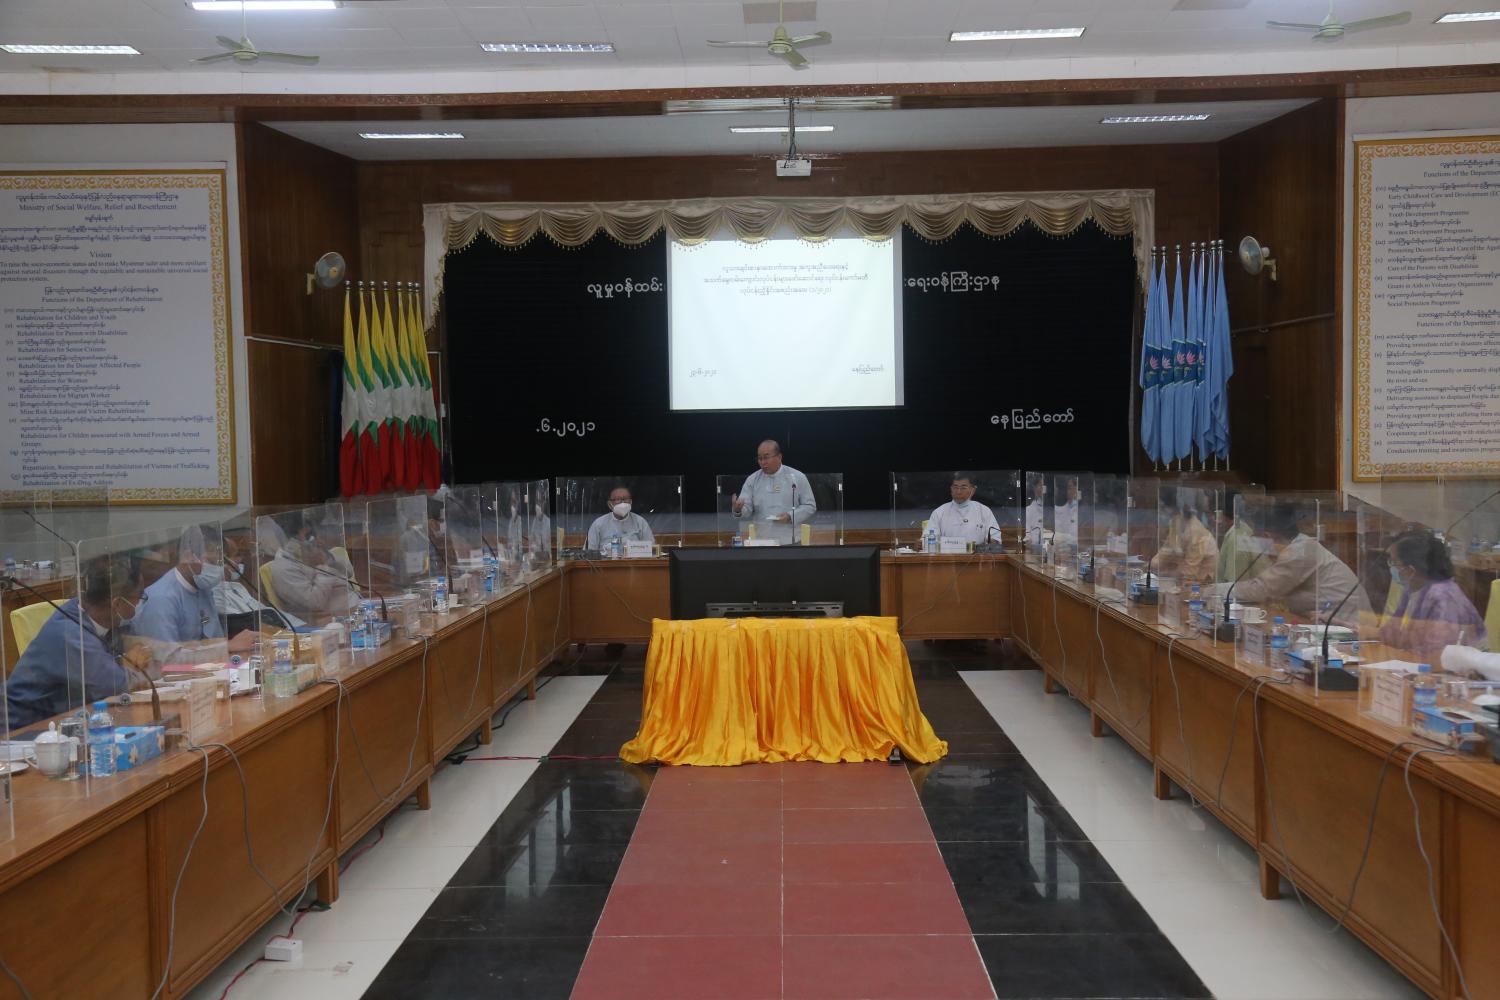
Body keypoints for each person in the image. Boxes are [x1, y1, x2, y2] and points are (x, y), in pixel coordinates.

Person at [6, 552, 155, 729]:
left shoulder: (102, 617)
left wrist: (124, 662)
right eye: (140, 596)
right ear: (116, 604)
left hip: (66, 720)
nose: (141, 603)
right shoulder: (69, 633)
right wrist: (128, 665)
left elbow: (137, 651)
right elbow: (116, 685)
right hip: (23, 730)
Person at [1232, 503, 1370, 622]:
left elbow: (1261, 590)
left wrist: (1220, 591)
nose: (1252, 541)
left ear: (1267, 536)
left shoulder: (1299, 553)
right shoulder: (1298, 546)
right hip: (1329, 622)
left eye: (1254, 536)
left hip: (1350, 629)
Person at [133, 525, 255, 659]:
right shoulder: (161, 599)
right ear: (188, 557)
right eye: (212, 562)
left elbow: (213, 635)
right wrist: (227, 646)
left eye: (221, 563)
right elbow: (168, 659)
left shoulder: (203, 588)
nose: (218, 570)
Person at [1379, 531, 1487, 657]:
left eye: (1394, 562)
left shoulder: (1443, 596)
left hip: (1460, 665)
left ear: (1410, 570)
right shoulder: (1412, 589)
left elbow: (1437, 651)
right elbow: (1391, 633)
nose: (1391, 567)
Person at [267, 516, 357, 622]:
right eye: (308, 536)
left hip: (354, 605)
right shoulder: (284, 567)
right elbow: (315, 603)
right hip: (335, 618)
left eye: (311, 535)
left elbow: (349, 572)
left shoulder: (311, 551)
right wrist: (323, 566)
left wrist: (329, 558)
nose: (311, 541)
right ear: (291, 539)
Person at [732, 440, 815, 544]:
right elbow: (746, 508)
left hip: (790, 541)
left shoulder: (797, 477)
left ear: (779, 457)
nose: (763, 462)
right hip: (762, 542)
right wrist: (738, 509)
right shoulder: (752, 480)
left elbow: (810, 506)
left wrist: (790, 516)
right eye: (760, 458)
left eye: (766, 457)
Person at [1152, 497, 1220, 585]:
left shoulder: (1196, 531)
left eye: (1163, 507)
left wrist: (1168, 574)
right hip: (1187, 572)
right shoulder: (1175, 521)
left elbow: (1190, 569)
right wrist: (1152, 565)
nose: (1161, 511)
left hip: (1203, 575)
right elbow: (1167, 549)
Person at [926, 472, 999, 546]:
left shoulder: (984, 511)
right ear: (951, 489)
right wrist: (924, 542)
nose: (958, 492)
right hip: (947, 553)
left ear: (972, 490)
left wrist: (993, 541)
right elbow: (928, 539)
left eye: (963, 488)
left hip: (977, 552)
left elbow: (995, 538)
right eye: (955, 487)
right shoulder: (939, 512)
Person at [587, 485, 655, 553]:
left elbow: (652, 548)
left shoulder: (640, 522)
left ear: (631, 502)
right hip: (607, 559)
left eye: (625, 499)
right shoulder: (598, 524)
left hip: (635, 559)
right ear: (609, 504)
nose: (622, 503)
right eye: (618, 499)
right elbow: (590, 552)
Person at [1024, 475, 1046, 549]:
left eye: (1044, 486)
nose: (1043, 488)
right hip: (1035, 550)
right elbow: (1027, 535)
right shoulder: (1029, 510)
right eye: (1040, 485)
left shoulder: (1051, 509)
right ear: (1034, 488)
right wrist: (1029, 542)